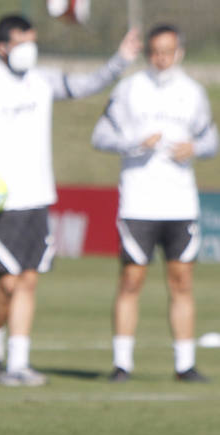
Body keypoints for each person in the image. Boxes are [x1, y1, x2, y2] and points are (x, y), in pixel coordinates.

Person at [0, 14, 141, 386]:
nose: (30, 50)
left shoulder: (41, 81)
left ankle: (18, 363)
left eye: (32, 42)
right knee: (6, 283)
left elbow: (85, 85)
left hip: (37, 195)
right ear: (2, 46)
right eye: (22, 42)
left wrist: (120, 59)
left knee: (28, 280)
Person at [91, 24, 216, 383]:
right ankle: (122, 364)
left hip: (180, 203)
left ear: (180, 52)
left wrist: (195, 148)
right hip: (139, 201)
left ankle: (185, 364)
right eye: (155, 51)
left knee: (181, 283)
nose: (162, 58)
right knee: (131, 280)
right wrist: (134, 142)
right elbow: (100, 135)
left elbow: (210, 138)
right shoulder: (129, 89)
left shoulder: (193, 92)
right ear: (148, 53)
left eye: (168, 51)